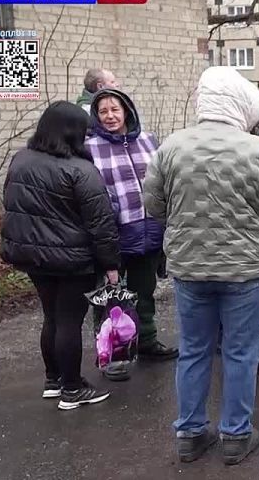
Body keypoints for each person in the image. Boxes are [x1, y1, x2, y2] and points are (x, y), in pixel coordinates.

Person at [143, 66, 259, 465]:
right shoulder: (257, 149)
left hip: (190, 268)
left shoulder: (171, 147)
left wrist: (186, 223)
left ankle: (190, 433)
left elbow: (153, 205)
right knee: (240, 351)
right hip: (246, 270)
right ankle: (235, 434)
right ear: (241, 104)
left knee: (193, 350)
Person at [1, 101, 119, 410]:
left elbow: (11, 202)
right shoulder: (81, 170)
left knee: (51, 316)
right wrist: (111, 265)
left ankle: (53, 380)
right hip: (73, 260)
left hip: (32, 256)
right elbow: (101, 223)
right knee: (69, 321)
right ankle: (72, 389)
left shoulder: (21, 160)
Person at [84, 88, 177, 373]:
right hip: (112, 233)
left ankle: (146, 341)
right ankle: (111, 355)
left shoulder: (148, 140)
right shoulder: (90, 147)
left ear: (127, 111)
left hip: (149, 229)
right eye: (103, 111)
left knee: (144, 292)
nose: (110, 116)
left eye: (115, 109)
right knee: (109, 298)